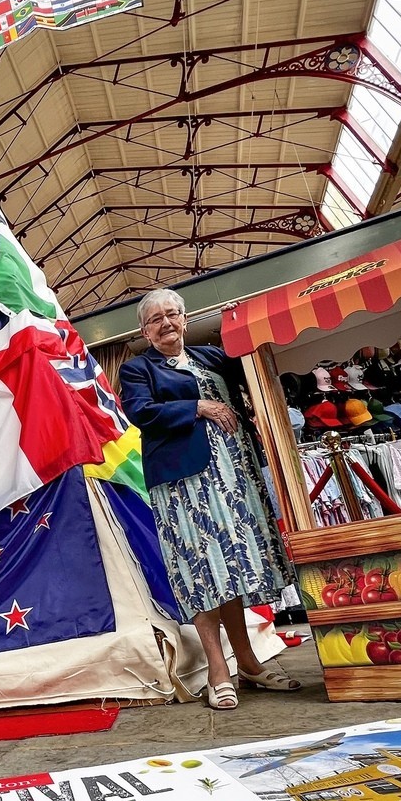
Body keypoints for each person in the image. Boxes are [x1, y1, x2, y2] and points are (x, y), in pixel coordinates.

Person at [118, 288, 301, 710]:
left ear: (185, 318)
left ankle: (250, 665)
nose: (165, 323)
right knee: (202, 571)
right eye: (155, 319)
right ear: (144, 331)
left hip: (235, 479)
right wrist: (197, 406)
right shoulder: (137, 369)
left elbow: (253, 372)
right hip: (184, 486)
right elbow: (142, 412)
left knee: (230, 571)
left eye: (172, 315)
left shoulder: (212, 357)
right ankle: (220, 669)